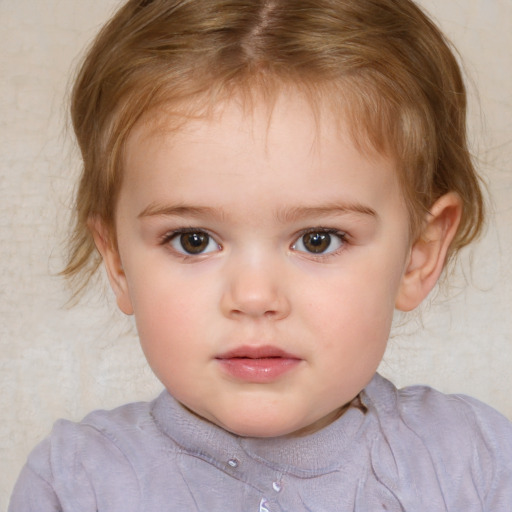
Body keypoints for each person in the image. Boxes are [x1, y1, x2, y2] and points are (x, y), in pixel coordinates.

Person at [9, 0, 512, 510]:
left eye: (319, 239)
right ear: (116, 261)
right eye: (193, 240)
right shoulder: (76, 485)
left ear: (418, 255)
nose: (253, 297)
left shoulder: (476, 464)